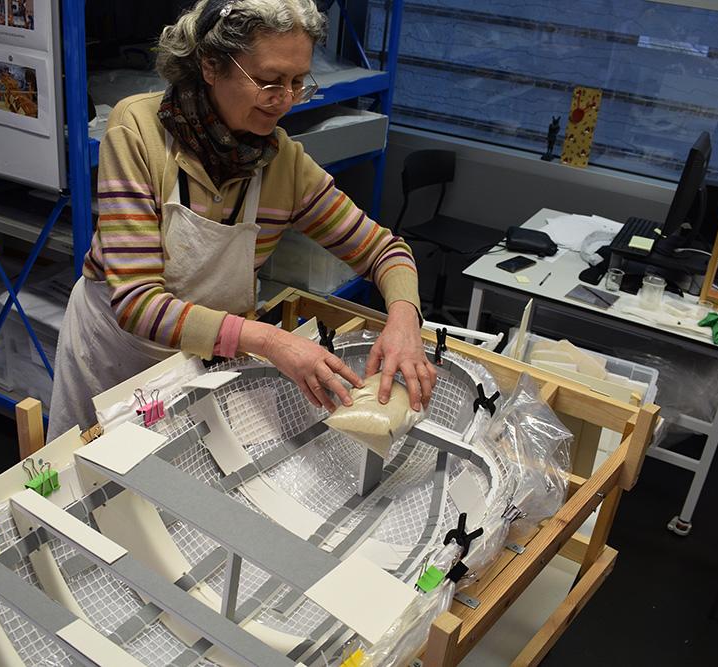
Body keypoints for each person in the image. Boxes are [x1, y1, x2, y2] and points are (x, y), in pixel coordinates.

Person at [47, 0, 436, 439]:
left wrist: (404, 319)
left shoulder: (283, 163)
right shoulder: (137, 130)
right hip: (118, 352)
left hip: (211, 354)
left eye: (297, 83)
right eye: (269, 81)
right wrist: (271, 341)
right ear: (211, 66)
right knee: (94, 484)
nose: (285, 101)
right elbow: (137, 303)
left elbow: (384, 250)